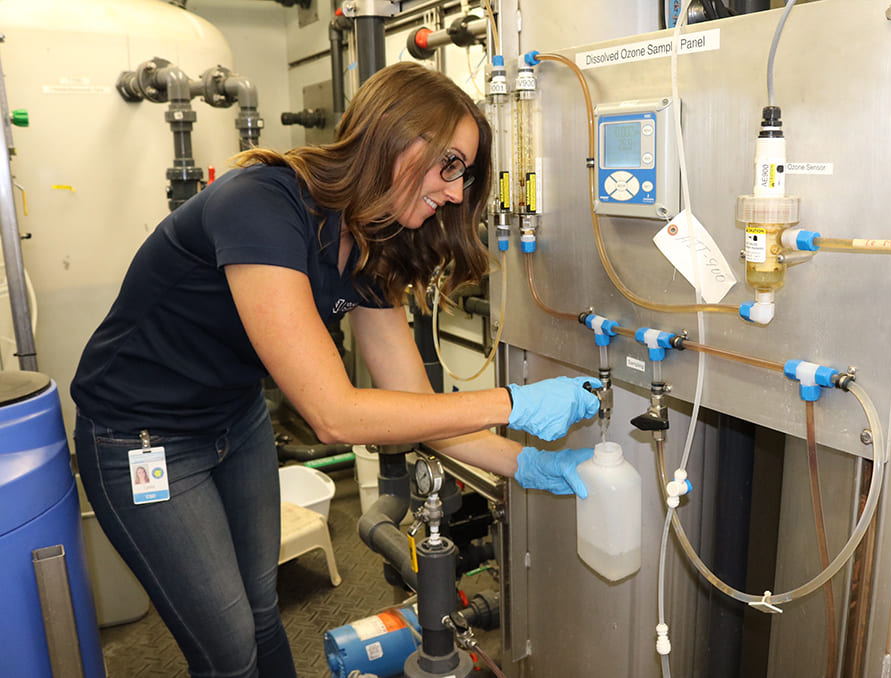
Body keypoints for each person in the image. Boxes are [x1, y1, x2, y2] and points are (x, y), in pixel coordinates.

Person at [71, 61, 600, 678]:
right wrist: (512, 402)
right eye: (449, 164)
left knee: (263, 609)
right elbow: (332, 413)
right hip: (142, 436)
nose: (456, 192)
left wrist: (525, 465)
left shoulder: (372, 240)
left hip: (234, 419)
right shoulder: (261, 204)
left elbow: (415, 406)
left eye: (466, 174)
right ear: (394, 139)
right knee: (227, 645)